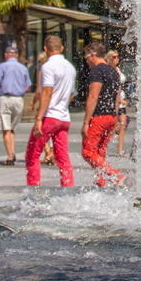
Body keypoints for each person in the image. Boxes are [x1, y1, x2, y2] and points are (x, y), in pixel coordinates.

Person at [26, 34, 77, 189]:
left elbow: (46, 92)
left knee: (32, 155)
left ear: (45, 49)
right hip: (64, 118)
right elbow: (72, 94)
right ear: (61, 48)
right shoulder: (70, 67)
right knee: (63, 158)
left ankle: (33, 190)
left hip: (49, 117)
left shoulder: (48, 66)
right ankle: (68, 189)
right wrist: (63, 107)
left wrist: (39, 118)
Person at [80, 41, 123, 188]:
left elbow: (93, 96)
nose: (86, 62)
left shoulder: (96, 71)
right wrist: (115, 119)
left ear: (93, 55)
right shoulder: (114, 71)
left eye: (87, 58)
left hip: (99, 116)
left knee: (88, 151)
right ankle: (101, 182)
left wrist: (86, 122)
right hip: (111, 116)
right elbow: (117, 98)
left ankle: (115, 175)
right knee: (100, 152)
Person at [0, 42, 32, 166]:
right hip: (18, 99)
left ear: (6, 55)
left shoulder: (2, 67)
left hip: (5, 98)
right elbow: (28, 87)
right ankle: (12, 151)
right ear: (16, 55)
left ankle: (10, 155)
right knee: (12, 128)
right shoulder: (23, 68)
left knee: (6, 129)